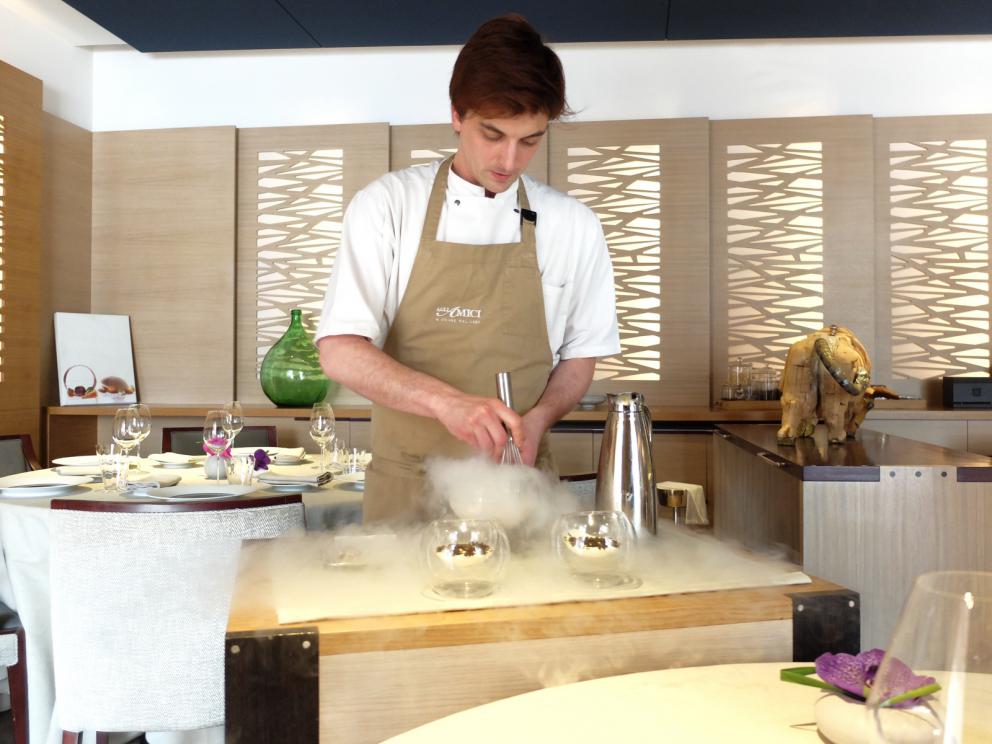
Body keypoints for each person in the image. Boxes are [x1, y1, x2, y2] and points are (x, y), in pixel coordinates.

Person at [316, 14, 620, 522]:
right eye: (492, 134)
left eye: (530, 140)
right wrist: (447, 403)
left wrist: (540, 420)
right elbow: (340, 352)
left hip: (519, 489)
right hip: (406, 490)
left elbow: (580, 356)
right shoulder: (388, 206)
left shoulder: (574, 225)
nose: (509, 160)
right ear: (457, 114)